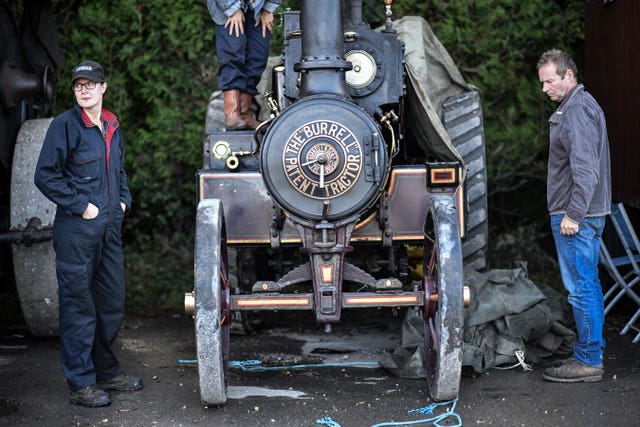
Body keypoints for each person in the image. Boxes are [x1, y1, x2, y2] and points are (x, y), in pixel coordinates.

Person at [34, 60, 143, 407]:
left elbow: (120, 171)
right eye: (79, 84)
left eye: (90, 84)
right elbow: (46, 175)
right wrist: (81, 206)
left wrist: (124, 202)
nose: (84, 89)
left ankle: (106, 371)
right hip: (77, 233)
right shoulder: (64, 126)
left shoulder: (111, 124)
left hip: (109, 231)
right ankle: (81, 383)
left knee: (110, 304)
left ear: (103, 87)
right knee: (79, 307)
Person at [536, 49, 611, 383]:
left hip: (575, 216)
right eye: (542, 82)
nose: (544, 88)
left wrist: (573, 214)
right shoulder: (580, 105)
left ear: (568, 76)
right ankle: (587, 353)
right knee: (585, 284)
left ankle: (589, 360)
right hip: (580, 213)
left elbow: (585, 170)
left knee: (582, 287)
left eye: (549, 81)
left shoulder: (576, 110)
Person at [207, 0, 282, 130]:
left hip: (258, 5)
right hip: (227, 6)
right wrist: (232, 9)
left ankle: (245, 115)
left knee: (258, 56)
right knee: (232, 54)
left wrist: (268, 8)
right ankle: (233, 114)